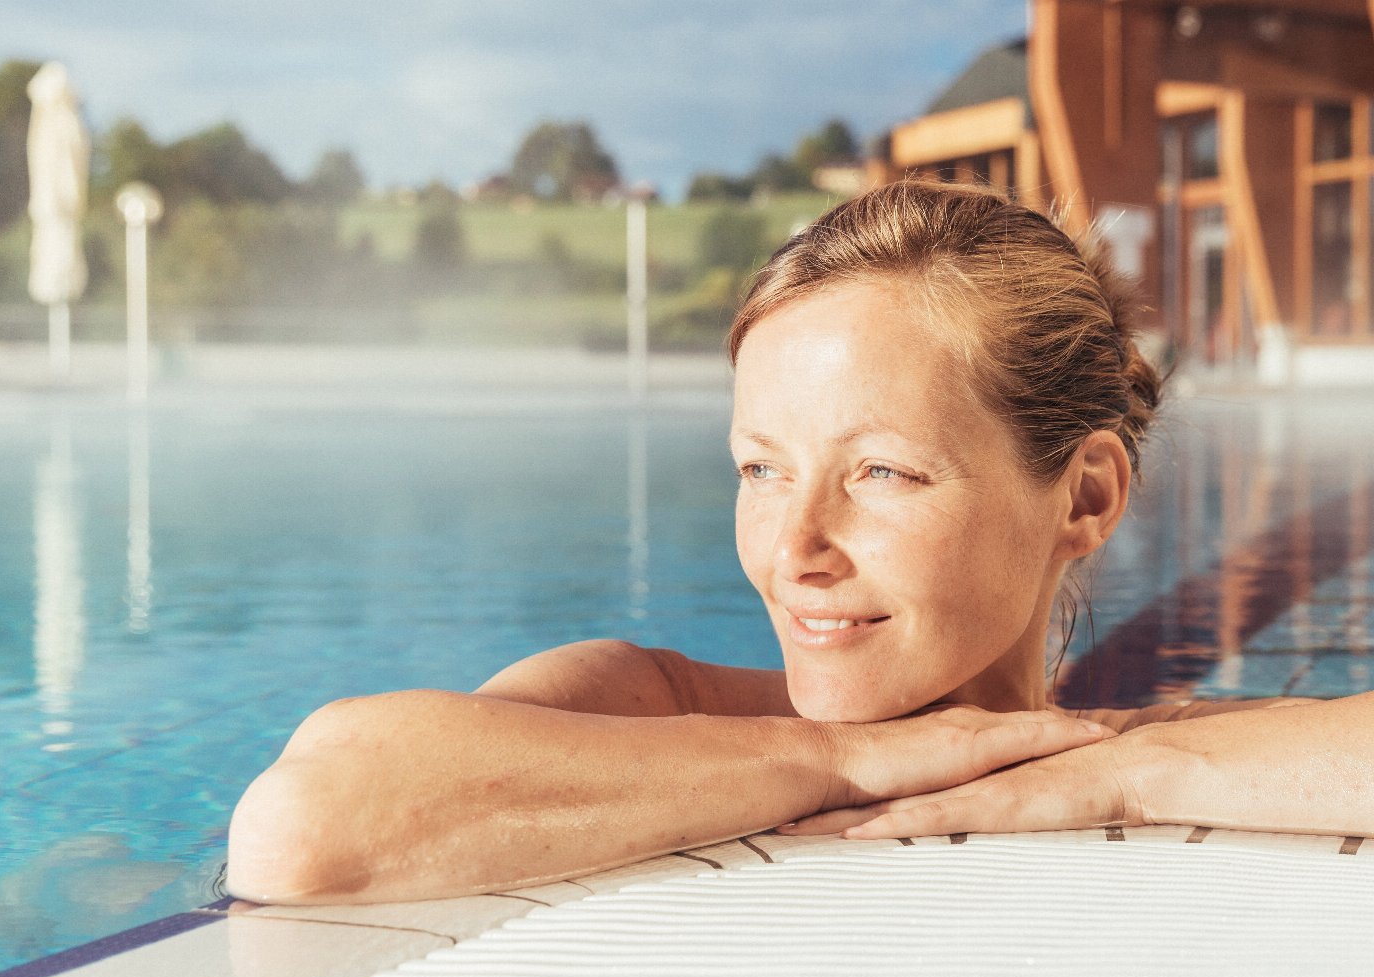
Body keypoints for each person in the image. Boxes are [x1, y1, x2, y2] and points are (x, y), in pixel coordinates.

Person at [227, 180, 1374, 906]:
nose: (795, 545)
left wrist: (1131, 770)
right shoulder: (640, 706)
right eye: (761, 469)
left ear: (1082, 497)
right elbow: (301, 826)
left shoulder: (1128, 748)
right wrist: (835, 760)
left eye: (880, 471)